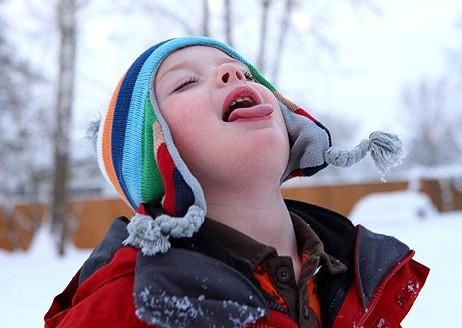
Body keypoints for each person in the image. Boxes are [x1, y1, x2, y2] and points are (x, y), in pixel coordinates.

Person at [45, 36, 429, 328]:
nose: (230, 73)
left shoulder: (357, 270)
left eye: (244, 74)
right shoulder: (130, 303)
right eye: (186, 83)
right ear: (153, 152)